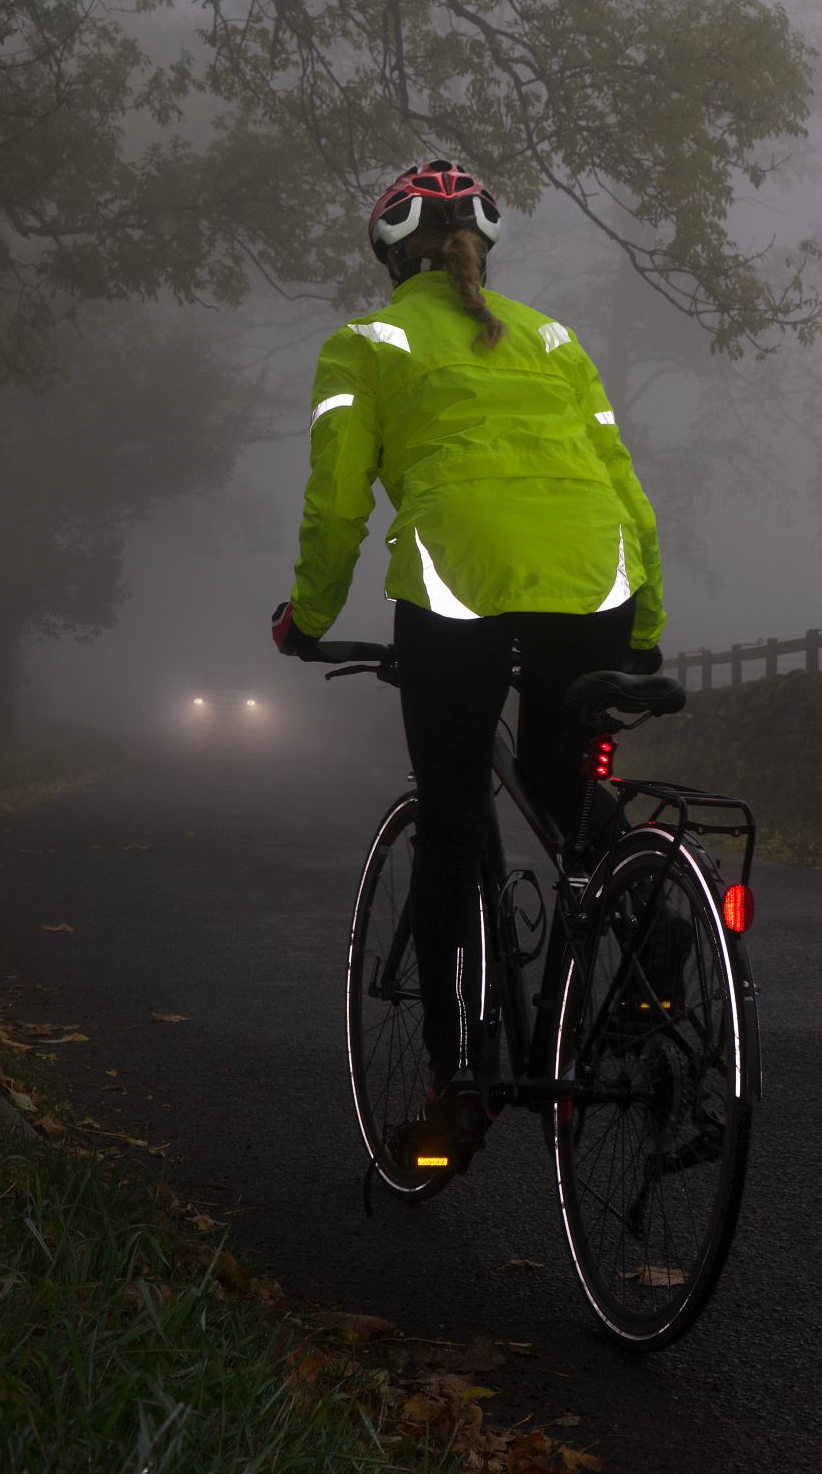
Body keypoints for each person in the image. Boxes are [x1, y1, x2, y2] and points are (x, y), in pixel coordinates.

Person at [269, 158, 664, 1155]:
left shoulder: (365, 342)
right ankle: (658, 944)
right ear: (483, 245)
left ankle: (452, 1095)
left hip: (459, 585)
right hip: (596, 580)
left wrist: (305, 615)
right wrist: (646, 620)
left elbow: (338, 503)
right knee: (556, 778)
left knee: (450, 819)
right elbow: (621, 483)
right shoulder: (555, 339)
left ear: (389, 252)